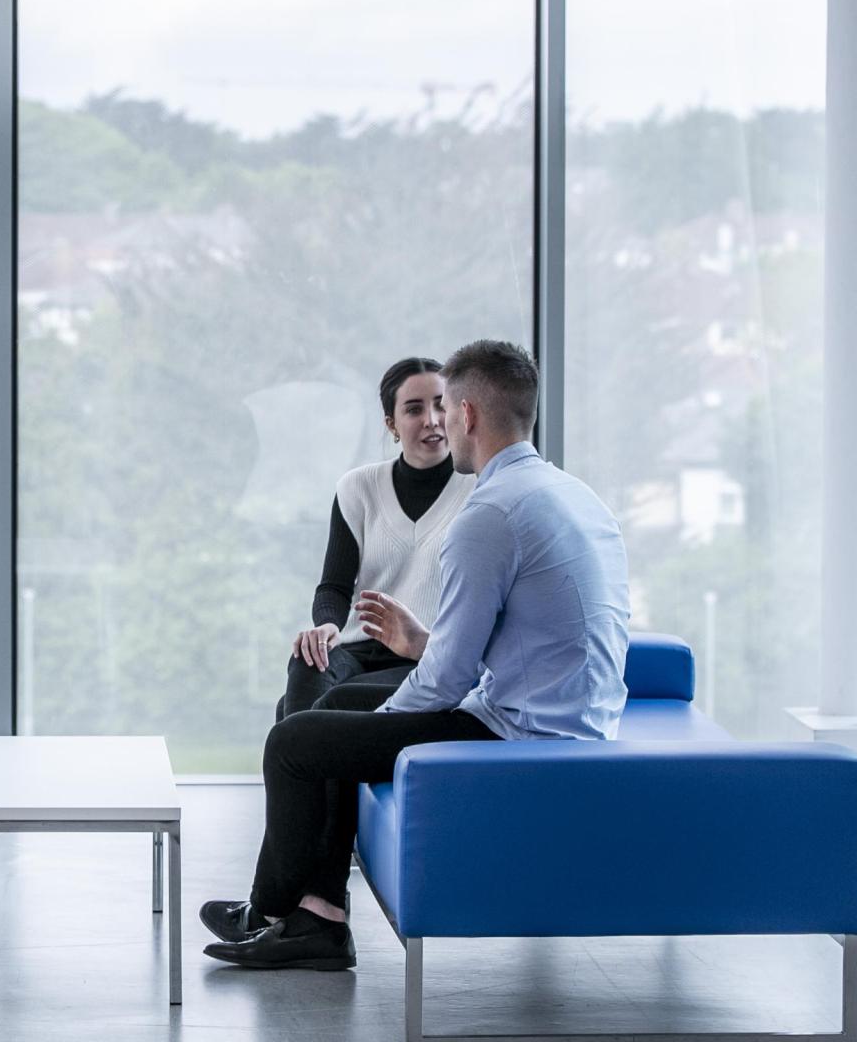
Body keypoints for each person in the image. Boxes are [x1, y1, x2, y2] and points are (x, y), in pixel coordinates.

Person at [200, 340, 630, 970]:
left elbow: (446, 681)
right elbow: (505, 645)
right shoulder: (572, 493)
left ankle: (272, 908)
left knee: (295, 744)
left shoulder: (489, 514)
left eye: (445, 411)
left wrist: (376, 727)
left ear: (468, 415)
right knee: (339, 702)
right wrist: (408, 659)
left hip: (519, 732)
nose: (438, 425)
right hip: (561, 712)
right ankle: (320, 916)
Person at [278, 357, 475, 721]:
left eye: (439, 405)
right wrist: (326, 627)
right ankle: (304, 760)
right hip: (356, 650)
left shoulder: (480, 489)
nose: (431, 420)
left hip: (423, 653)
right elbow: (334, 587)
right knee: (306, 662)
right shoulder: (358, 487)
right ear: (392, 424)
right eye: (414, 409)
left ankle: (299, 763)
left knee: (311, 711)